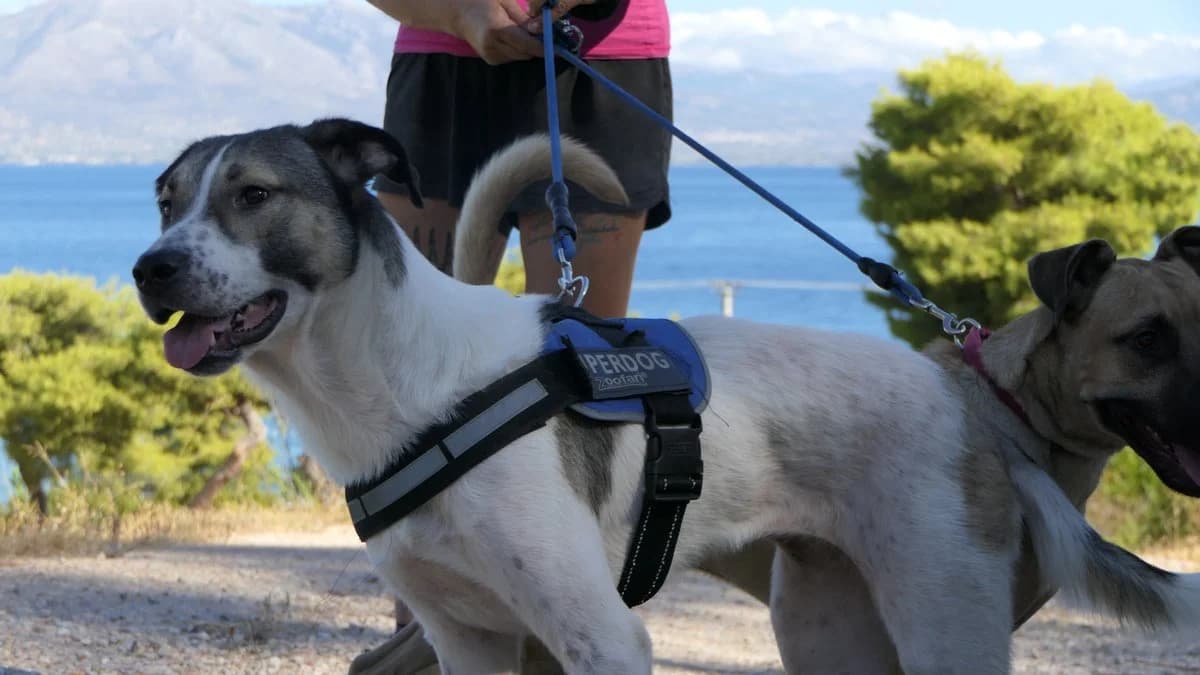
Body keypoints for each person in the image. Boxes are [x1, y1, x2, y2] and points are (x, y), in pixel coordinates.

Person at [366, 0, 673, 319]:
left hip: (600, 56)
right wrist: (461, 12)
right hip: (438, 42)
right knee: (410, 337)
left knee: (577, 340)